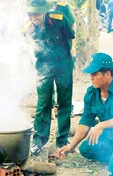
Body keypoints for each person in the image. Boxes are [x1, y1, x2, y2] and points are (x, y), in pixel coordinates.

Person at [25, 0, 75, 155]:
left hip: (63, 63)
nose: (34, 17)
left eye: (37, 14)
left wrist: (73, 52)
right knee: (43, 103)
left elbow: (71, 35)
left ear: (45, 12)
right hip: (43, 65)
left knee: (64, 101)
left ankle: (63, 139)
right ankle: (39, 140)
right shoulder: (28, 27)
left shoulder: (59, 18)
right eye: (31, 14)